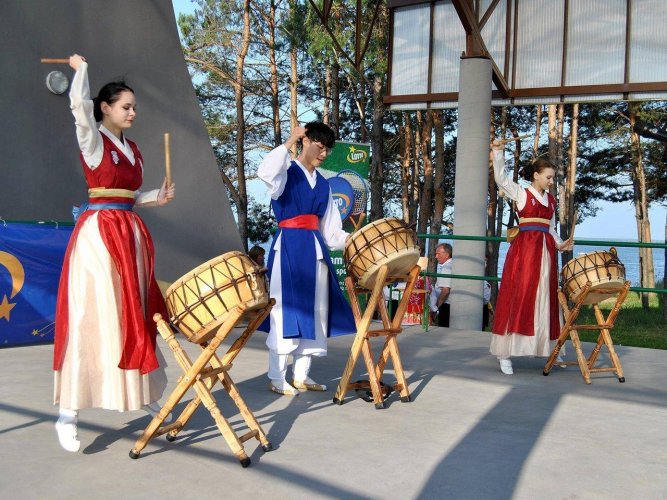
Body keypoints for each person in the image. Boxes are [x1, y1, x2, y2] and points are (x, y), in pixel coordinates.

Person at [52, 54, 176, 452]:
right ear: (104, 108)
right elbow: (78, 111)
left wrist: (156, 196)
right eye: (126, 106)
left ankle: (143, 393)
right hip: (100, 237)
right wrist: (81, 71)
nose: (132, 112)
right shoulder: (93, 140)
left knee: (133, 316)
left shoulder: (132, 148)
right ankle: (68, 412)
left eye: (134, 107)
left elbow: (130, 196)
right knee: (94, 316)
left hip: (130, 235)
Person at [258, 122, 356, 396]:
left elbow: (331, 231)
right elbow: (264, 172)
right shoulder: (285, 173)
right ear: (306, 141)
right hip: (288, 248)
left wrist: (355, 240)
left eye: (327, 149)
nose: (323, 153)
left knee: (316, 311)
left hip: (315, 251)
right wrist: (291, 138)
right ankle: (277, 377)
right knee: (284, 311)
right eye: (319, 146)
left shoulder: (324, 185)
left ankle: (301, 375)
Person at [490, 140, 573, 375]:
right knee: (520, 295)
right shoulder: (521, 193)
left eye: (552, 178)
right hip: (525, 253)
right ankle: (505, 354)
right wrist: (497, 152)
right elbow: (501, 179)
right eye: (548, 177)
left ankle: (547, 348)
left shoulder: (551, 201)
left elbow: (551, 228)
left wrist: (561, 243)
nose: (551, 181)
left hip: (546, 253)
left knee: (545, 298)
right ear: (536, 175)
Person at [430, 243, 453, 327]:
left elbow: (445, 290)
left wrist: (436, 307)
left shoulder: (447, 268)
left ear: (447, 254)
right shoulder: (451, 265)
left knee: (444, 328)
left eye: (438, 254)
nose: (436, 257)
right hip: (447, 304)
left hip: (446, 304)